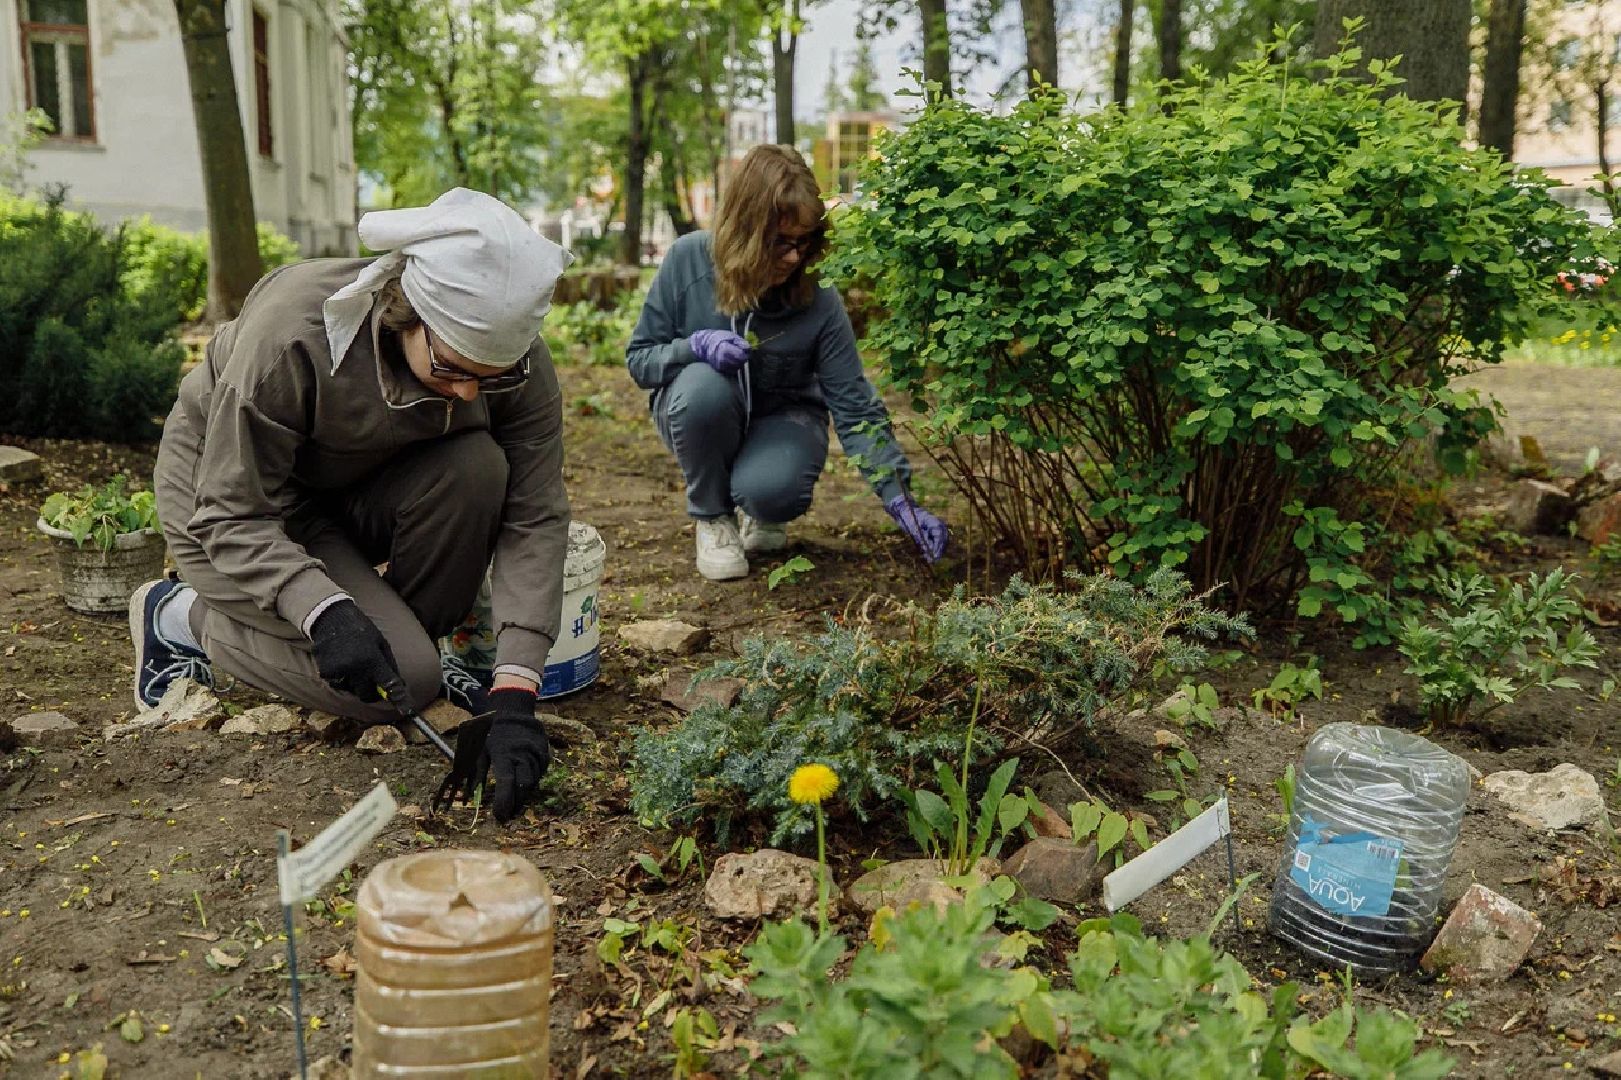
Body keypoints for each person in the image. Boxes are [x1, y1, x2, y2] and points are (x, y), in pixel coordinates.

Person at [129, 188, 572, 823]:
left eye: (490, 378)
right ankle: (180, 617)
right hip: (234, 504)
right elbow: (233, 512)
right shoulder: (292, 335)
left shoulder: (515, 359)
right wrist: (324, 612)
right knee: (409, 684)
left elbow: (534, 513)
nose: (471, 391)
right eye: (451, 370)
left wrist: (516, 692)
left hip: (354, 486)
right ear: (405, 313)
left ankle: (390, 646)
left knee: (478, 468)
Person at [626, 144, 949, 580]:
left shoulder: (817, 297)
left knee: (773, 492)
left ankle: (760, 504)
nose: (795, 257)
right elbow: (641, 360)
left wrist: (900, 500)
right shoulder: (688, 260)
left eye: (805, 241)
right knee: (704, 387)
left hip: (783, 419)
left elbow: (854, 404)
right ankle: (713, 517)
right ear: (747, 228)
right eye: (780, 242)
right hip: (701, 411)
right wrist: (692, 347)